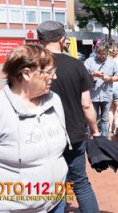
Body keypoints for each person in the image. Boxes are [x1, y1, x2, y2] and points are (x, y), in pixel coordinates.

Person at [0, 44, 69, 212]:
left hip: (55, 203)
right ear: (27, 73)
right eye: (49, 72)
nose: (55, 76)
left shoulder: (54, 100)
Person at [38, 20, 101, 212]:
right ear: (62, 39)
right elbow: (86, 104)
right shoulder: (76, 65)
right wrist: (95, 131)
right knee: (80, 183)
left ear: (40, 39)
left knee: (54, 187)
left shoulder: (34, 65)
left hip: (43, 136)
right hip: (73, 133)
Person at [84, 44, 118, 137]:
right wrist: (92, 74)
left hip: (106, 93)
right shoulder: (89, 61)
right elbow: (82, 76)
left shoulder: (112, 62)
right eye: (99, 54)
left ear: (107, 53)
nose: (101, 56)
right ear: (96, 53)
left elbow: (117, 77)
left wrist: (109, 79)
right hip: (93, 94)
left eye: (103, 54)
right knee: (92, 118)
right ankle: (91, 138)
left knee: (105, 118)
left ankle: (104, 139)